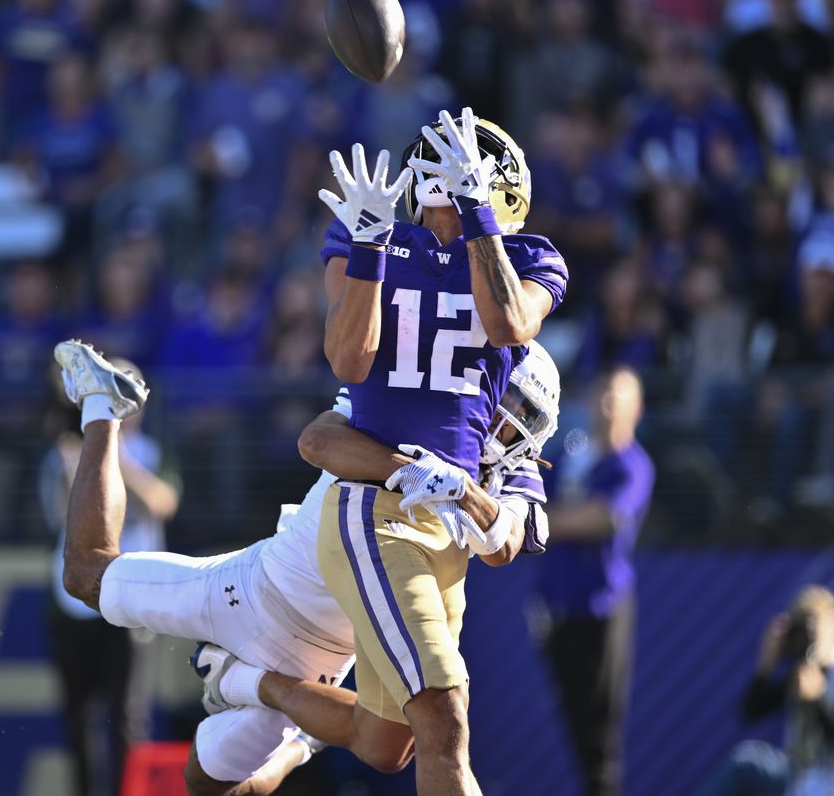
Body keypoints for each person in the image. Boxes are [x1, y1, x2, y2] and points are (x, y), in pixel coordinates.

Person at [57, 337, 558, 796]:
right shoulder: (409, 404)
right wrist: (407, 468)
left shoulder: (516, 475)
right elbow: (318, 443)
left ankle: (244, 682)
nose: (502, 424)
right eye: (502, 401)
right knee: (84, 573)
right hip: (255, 596)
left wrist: (467, 491)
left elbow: (504, 543)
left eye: (521, 415)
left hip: (329, 654)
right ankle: (104, 406)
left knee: (355, 758)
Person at [294, 107, 567, 796]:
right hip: (377, 510)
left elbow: (508, 323)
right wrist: (366, 248)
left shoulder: (532, 256)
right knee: (447, 718)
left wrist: (475, 214)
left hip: (445, 525)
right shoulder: (382, 236)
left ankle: (254, 682)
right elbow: (347, 362)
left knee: (392, 744)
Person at [38, 361, 179, 796]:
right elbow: (61, 513)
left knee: (126, 716)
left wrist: (103, 448)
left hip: (132, 600)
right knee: (76, 716)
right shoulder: (59, 455)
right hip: (74, 600)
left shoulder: (154, 452)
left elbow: (161, 502)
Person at [528, 366, 653, 796]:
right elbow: (524, 493)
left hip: (603, 610)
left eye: (617, 396)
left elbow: (600, 518)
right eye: (602, 393)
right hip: (558, 610)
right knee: (577, 731)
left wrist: (539, 523)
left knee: (600, 739)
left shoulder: (633, 465)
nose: (607, 403)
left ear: (636, 408)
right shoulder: (569, 454)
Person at [696, 586, 834, 796]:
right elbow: (751, 711)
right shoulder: (805, 672)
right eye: (801, 630)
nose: (808, 638)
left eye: (814, 626)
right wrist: (766, 665)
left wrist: (817, 699)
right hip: (814, 784)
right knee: (746, 764)